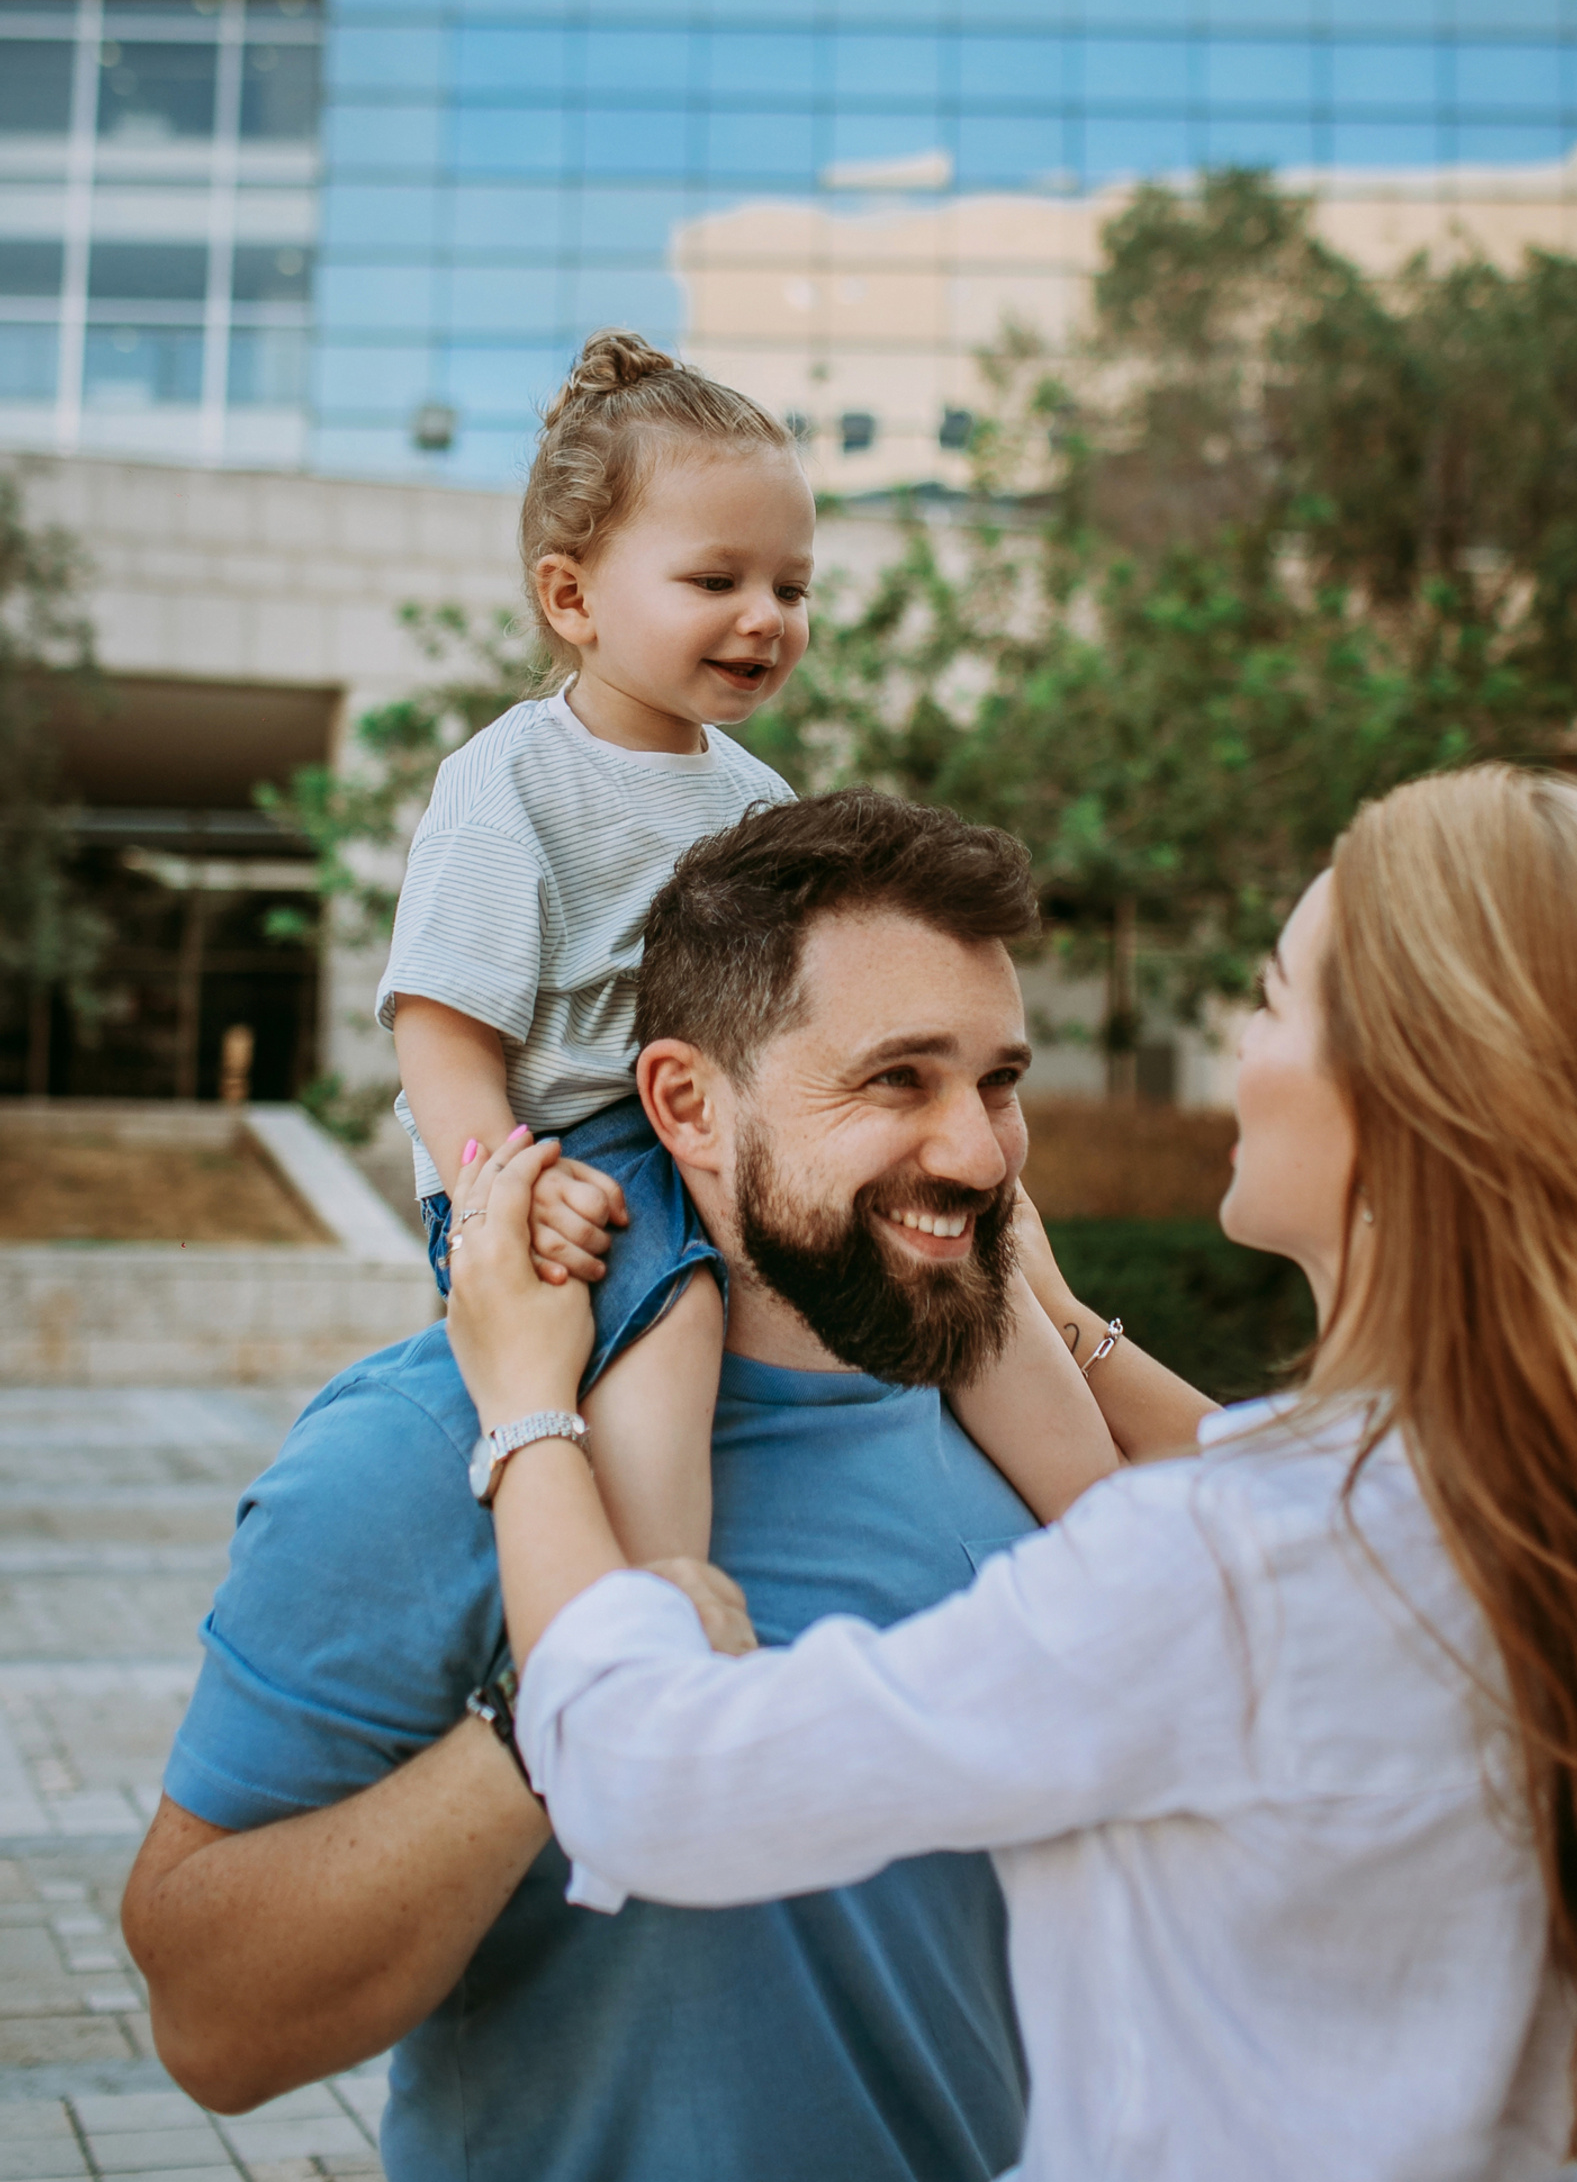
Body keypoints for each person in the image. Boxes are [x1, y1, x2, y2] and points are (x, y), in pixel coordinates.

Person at [447, 765, 1577, 2182]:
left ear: (1408, 1104)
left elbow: (644, 1780)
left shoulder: (1229, 1569)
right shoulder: (1576, 1512)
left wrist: (523, 1403)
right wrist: (1059, 1321)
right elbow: (1277, 1499)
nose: (1236, 1042)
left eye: (1269, 997)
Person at [122, 790, 1209, 2182]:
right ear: (685, 1103)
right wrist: (562, 1716)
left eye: (999, 1081)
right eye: (898, 1080)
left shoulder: (1002, 1413)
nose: (982, 1151)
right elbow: (211, 2025)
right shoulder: (416, 1449)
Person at [381, 325, 1119, 1559]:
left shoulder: (756, 797)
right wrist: (503, 1183)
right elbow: (440, 1028)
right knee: (668, 1319)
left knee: (971, 1274)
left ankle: (1111, 1532)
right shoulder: (512, 776)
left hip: (733, 1125)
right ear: (572, 598)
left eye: (791, 587)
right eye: (715, 582)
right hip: (567, 1150)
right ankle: (666, 1607)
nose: (765, 618)